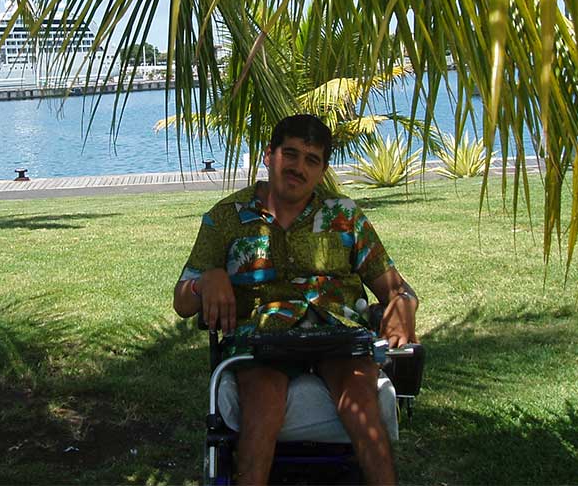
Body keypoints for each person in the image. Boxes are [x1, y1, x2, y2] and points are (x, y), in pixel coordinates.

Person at [173, 114, 418, 485]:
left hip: (338, 336)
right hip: (262, 340)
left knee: (361, 401)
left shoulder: (344, 216)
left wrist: (403, 305)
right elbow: (182, 300)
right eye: (290, 154)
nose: (299, 167)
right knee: (263, 400)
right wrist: (206, 281)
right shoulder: (226, 218)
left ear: (322, 170)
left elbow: (397, 288)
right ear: (269, 155)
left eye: (312, 159)